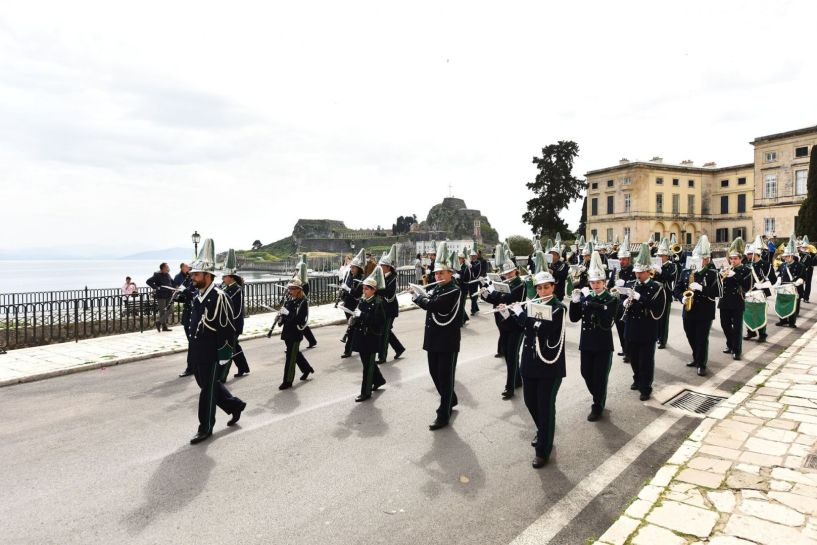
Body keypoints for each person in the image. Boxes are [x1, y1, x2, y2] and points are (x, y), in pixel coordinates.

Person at [186, 239, 246, 445]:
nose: (192, 277)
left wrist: (224, 355)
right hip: (197, 351)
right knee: (206, 385)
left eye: (196, 274)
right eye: (192, 274)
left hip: (212, 352)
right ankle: (234, 405)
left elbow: (227, 329)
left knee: (207, 391)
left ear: (207, 275)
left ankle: (205, 427)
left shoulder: (219, 297)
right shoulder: (197, 296)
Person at [511, 270, 566, 469]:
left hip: (549, 365)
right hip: (530, 363)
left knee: (545, 407)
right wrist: (508, 313)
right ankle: (543, 431)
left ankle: (543, 450)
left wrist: (522, 315)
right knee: (530, 402)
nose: (543, 291)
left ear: (553, 287)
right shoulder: (533, 304)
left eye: (546, 287)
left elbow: (542, 329)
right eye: (540, 288)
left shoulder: (558, 308)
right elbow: (524, 328)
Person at [411, 242, 461, 430]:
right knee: (434, 373)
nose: (438, 276)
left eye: (442, 273)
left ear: (450, 274)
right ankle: (451, 399)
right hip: (433, 337)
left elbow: (437, 306)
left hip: (447, 340)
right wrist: (420, 293)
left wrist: (419, 298)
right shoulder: (438, 288)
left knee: (445, 376)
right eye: (436, 273)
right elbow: (430, 300)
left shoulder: (453, 290)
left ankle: (444, 413)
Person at [569, 251, 618, 420]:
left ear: (604, 283)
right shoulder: (586, 297)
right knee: (585, 373)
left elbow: (606, 314)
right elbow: (574, 318)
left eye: (598, 283)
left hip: (603, 345)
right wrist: (574, 302)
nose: (595, 286)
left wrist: (587, 300)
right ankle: (598, 395)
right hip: (587, 343)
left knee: (600, 377)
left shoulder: (610, 298)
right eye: (592, 283)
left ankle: (598, 404)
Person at [481, 244, 526, 399]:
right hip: (504, 322)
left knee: (512, 355)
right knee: (507, 353)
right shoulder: (505, 283)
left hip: (516, 323)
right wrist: (485, 294)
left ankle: (510, 387)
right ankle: (518, 380)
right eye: (506, 273)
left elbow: (506, 298)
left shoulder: (521, 284)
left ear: (516, 270)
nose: (507, 275)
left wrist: (495, 293)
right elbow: (495, 299)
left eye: (510, 272)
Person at [674, 235, 723, 377]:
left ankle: (701, 363)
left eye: (700, 259)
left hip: (704, 311)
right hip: (688, 310)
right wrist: (681, 297)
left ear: (706, 260)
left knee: (702, 338)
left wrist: (702, 289)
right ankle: (696, 357)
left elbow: (719, 292)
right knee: (690, 336)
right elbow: (676, 288)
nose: (696, 262)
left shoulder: (713, 273)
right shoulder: (686, 271)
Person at [623, 244, 666, 400]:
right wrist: (624, 302)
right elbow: (623, 302)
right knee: (633, 358)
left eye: (641, 272)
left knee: (646, 360)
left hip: (647, 327)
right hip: (632, 326)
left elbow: (658, 309)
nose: (638, 275)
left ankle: (645, 387)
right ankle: (637, 378)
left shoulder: (657, 287)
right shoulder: (630, 285)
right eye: (636, 272)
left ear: (648, 271)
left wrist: (640, 299)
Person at [351, 266, 387, 402]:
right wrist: (353, 318)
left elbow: (379, 321)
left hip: (371, 337)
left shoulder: (378, 303)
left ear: (374, 290)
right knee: (367, 363)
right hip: (361, 336)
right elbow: (359, 316)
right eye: (363, 288)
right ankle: (379, 380)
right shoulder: (363, 300)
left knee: (367, 366)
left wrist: (362, 315)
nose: (364, 291)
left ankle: (365, 392)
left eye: (366, 289)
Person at [277, 264, 315, 390]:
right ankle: (307, 368)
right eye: (290, 288)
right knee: (295, 354)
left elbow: (299, 319)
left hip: (295, 333)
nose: (290, 291)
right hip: (287, 332)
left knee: (290, 357)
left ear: (299, 289)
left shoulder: (303, 302)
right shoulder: (289, 300)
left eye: (293, 289)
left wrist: (288, 314)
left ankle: (287, 381)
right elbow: (286, 317)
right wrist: (281, 317)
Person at [718, 238, 752, 360]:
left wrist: (736, 275)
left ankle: (736, 350)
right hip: (724, 301)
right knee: (725, 325)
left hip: (737, 301)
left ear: (741, 259)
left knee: (737, 327)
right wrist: (720, 276)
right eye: (731, 258)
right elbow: (719, 285)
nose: (733, 261)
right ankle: (730, 344)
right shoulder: (726, 268)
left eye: (735, 258)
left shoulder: (746, 270)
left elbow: (747, 287)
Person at [221, 249, 250, 379]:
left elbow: (236, 310)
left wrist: (229, 323)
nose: (223, 279)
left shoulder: (236, 290)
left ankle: (222, 375)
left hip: (234, 323)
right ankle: (243, 367)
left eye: (224, 277)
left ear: (231, 277)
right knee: (234, 346)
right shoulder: (226, 288)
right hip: (228, 323)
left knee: (230, 347)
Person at [608, 234, 636, 362]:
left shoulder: (633, 270)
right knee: (619, 328)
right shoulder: (615, 270)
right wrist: (611, 282)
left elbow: (635, 284)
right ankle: (624, 349)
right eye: (620, 259)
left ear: (629, 259)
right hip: (616, 303)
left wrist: (625, 284)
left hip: (627, 303)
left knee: (628, 330)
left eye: (624, 259)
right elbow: (609, 286)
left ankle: (630, 352)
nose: (622, 261)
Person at [376, 244, 406, 363]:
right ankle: (399, 348)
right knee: (386, 331)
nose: (380, 267)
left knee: (384, 334)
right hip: (382, 308)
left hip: (389, 309)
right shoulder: (382, 276)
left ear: (388, 267)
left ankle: (382, 357)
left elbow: (389, 293)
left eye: (382, 266)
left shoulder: (392, 278)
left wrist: (376, 290)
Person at [743, 240, 776, 343]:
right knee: (748, 313)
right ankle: (751, 332)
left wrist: (762, 285)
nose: (748, 256)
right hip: (748, 293)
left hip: (760, 293)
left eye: (750, 254)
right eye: (748, 254)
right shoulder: (746, 264)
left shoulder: (766, 265)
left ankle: (762, 334)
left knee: (759, 313)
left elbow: (773, 280)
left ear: (756, 254)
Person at [339, 249, 365, 358]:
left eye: (353, 267)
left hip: (356, 305)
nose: (351, 269)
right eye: (351, 267)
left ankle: (348, 350)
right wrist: (342, 291)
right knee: (354, 327)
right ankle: (359, 347)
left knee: (353, 327)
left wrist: (348, 289)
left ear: (358, 268)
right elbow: (347, 289)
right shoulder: (349, 276)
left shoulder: (361, 279)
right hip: (348, 304)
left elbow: (357, 294)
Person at [774, 236, 805, 328]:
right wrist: (779, 280)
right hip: (783, 287)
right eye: (784, 257)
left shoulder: (800, 265)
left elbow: (803, 277)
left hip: (794, 288)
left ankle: (792, 322)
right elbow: (780, 274)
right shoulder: (783, 265)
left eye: (787, 256)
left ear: (792, 256)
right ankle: (783, 320)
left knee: (793, 305)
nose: (785, 258)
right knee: (782, 304)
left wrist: (798, 282)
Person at [654, 238, 677, 349]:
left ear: (667, 256)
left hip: (665, 294)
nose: (659, 257)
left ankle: (663, 340)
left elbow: (671, 276)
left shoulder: (672, 266)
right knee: (656, 317)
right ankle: (657, 337)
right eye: (658, 255)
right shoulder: (655, 265)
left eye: (661, 256)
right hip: (655, 295)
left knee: (664, 319)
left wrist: (661, 271)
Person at [146, 262, 174, 332]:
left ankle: (159, 322)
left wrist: (175, 287)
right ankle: (164, 327)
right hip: (161, 295)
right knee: (162, 312)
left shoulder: (168, 274)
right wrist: (156, 288)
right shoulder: (157, 275)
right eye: (167, 267)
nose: (168, 268)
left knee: (171, 309)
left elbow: (172, 282)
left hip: (169, 294)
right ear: (163, 268)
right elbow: (148, 281)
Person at [297, 255, 318, 349]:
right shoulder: (299, 281)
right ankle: (312, 341)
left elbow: (302, 295)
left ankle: (296, 344)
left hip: (302, 305)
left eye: (298, 271)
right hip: (298, 304)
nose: (296, 272)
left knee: (301, 324)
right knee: (302, 324)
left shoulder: (304, 284)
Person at [456, 248, 472, 326]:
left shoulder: (466, 267)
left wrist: (459, 277)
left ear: (462, 259)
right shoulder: (457, 267)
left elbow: (467, 278)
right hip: (458, 288)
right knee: (459, 305)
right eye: (457, 258)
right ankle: (464, 318)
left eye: (459, 258)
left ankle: (461, 322)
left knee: (461, 305)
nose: (458, 260)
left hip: (463, 288)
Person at [468, 248, 483, 316]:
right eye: (470, 256)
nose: (471, 257)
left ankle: (473, 310)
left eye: (472, 256)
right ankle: (476, 308)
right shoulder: (469, 263)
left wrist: (471, 266)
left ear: (475, 256)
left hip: (474, 281)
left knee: (474, 295)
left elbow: (478, 271)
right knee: (471, 296)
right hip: (469, 281)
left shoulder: (478, 263)